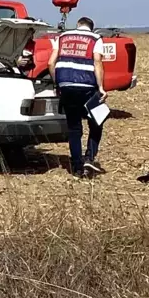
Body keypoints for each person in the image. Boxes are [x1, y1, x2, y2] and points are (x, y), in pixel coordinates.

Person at [48, 16, 107, 178]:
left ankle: (77, 167)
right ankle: (89, 157)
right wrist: (101, 87)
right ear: (91, 28)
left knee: (74, 129)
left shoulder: (62, 37)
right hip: (88, 87)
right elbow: (97, 62)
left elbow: (50, 63)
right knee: (96, 122)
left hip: (66, 86)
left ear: (78, 25)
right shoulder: (96, 38)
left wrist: (57, 84)